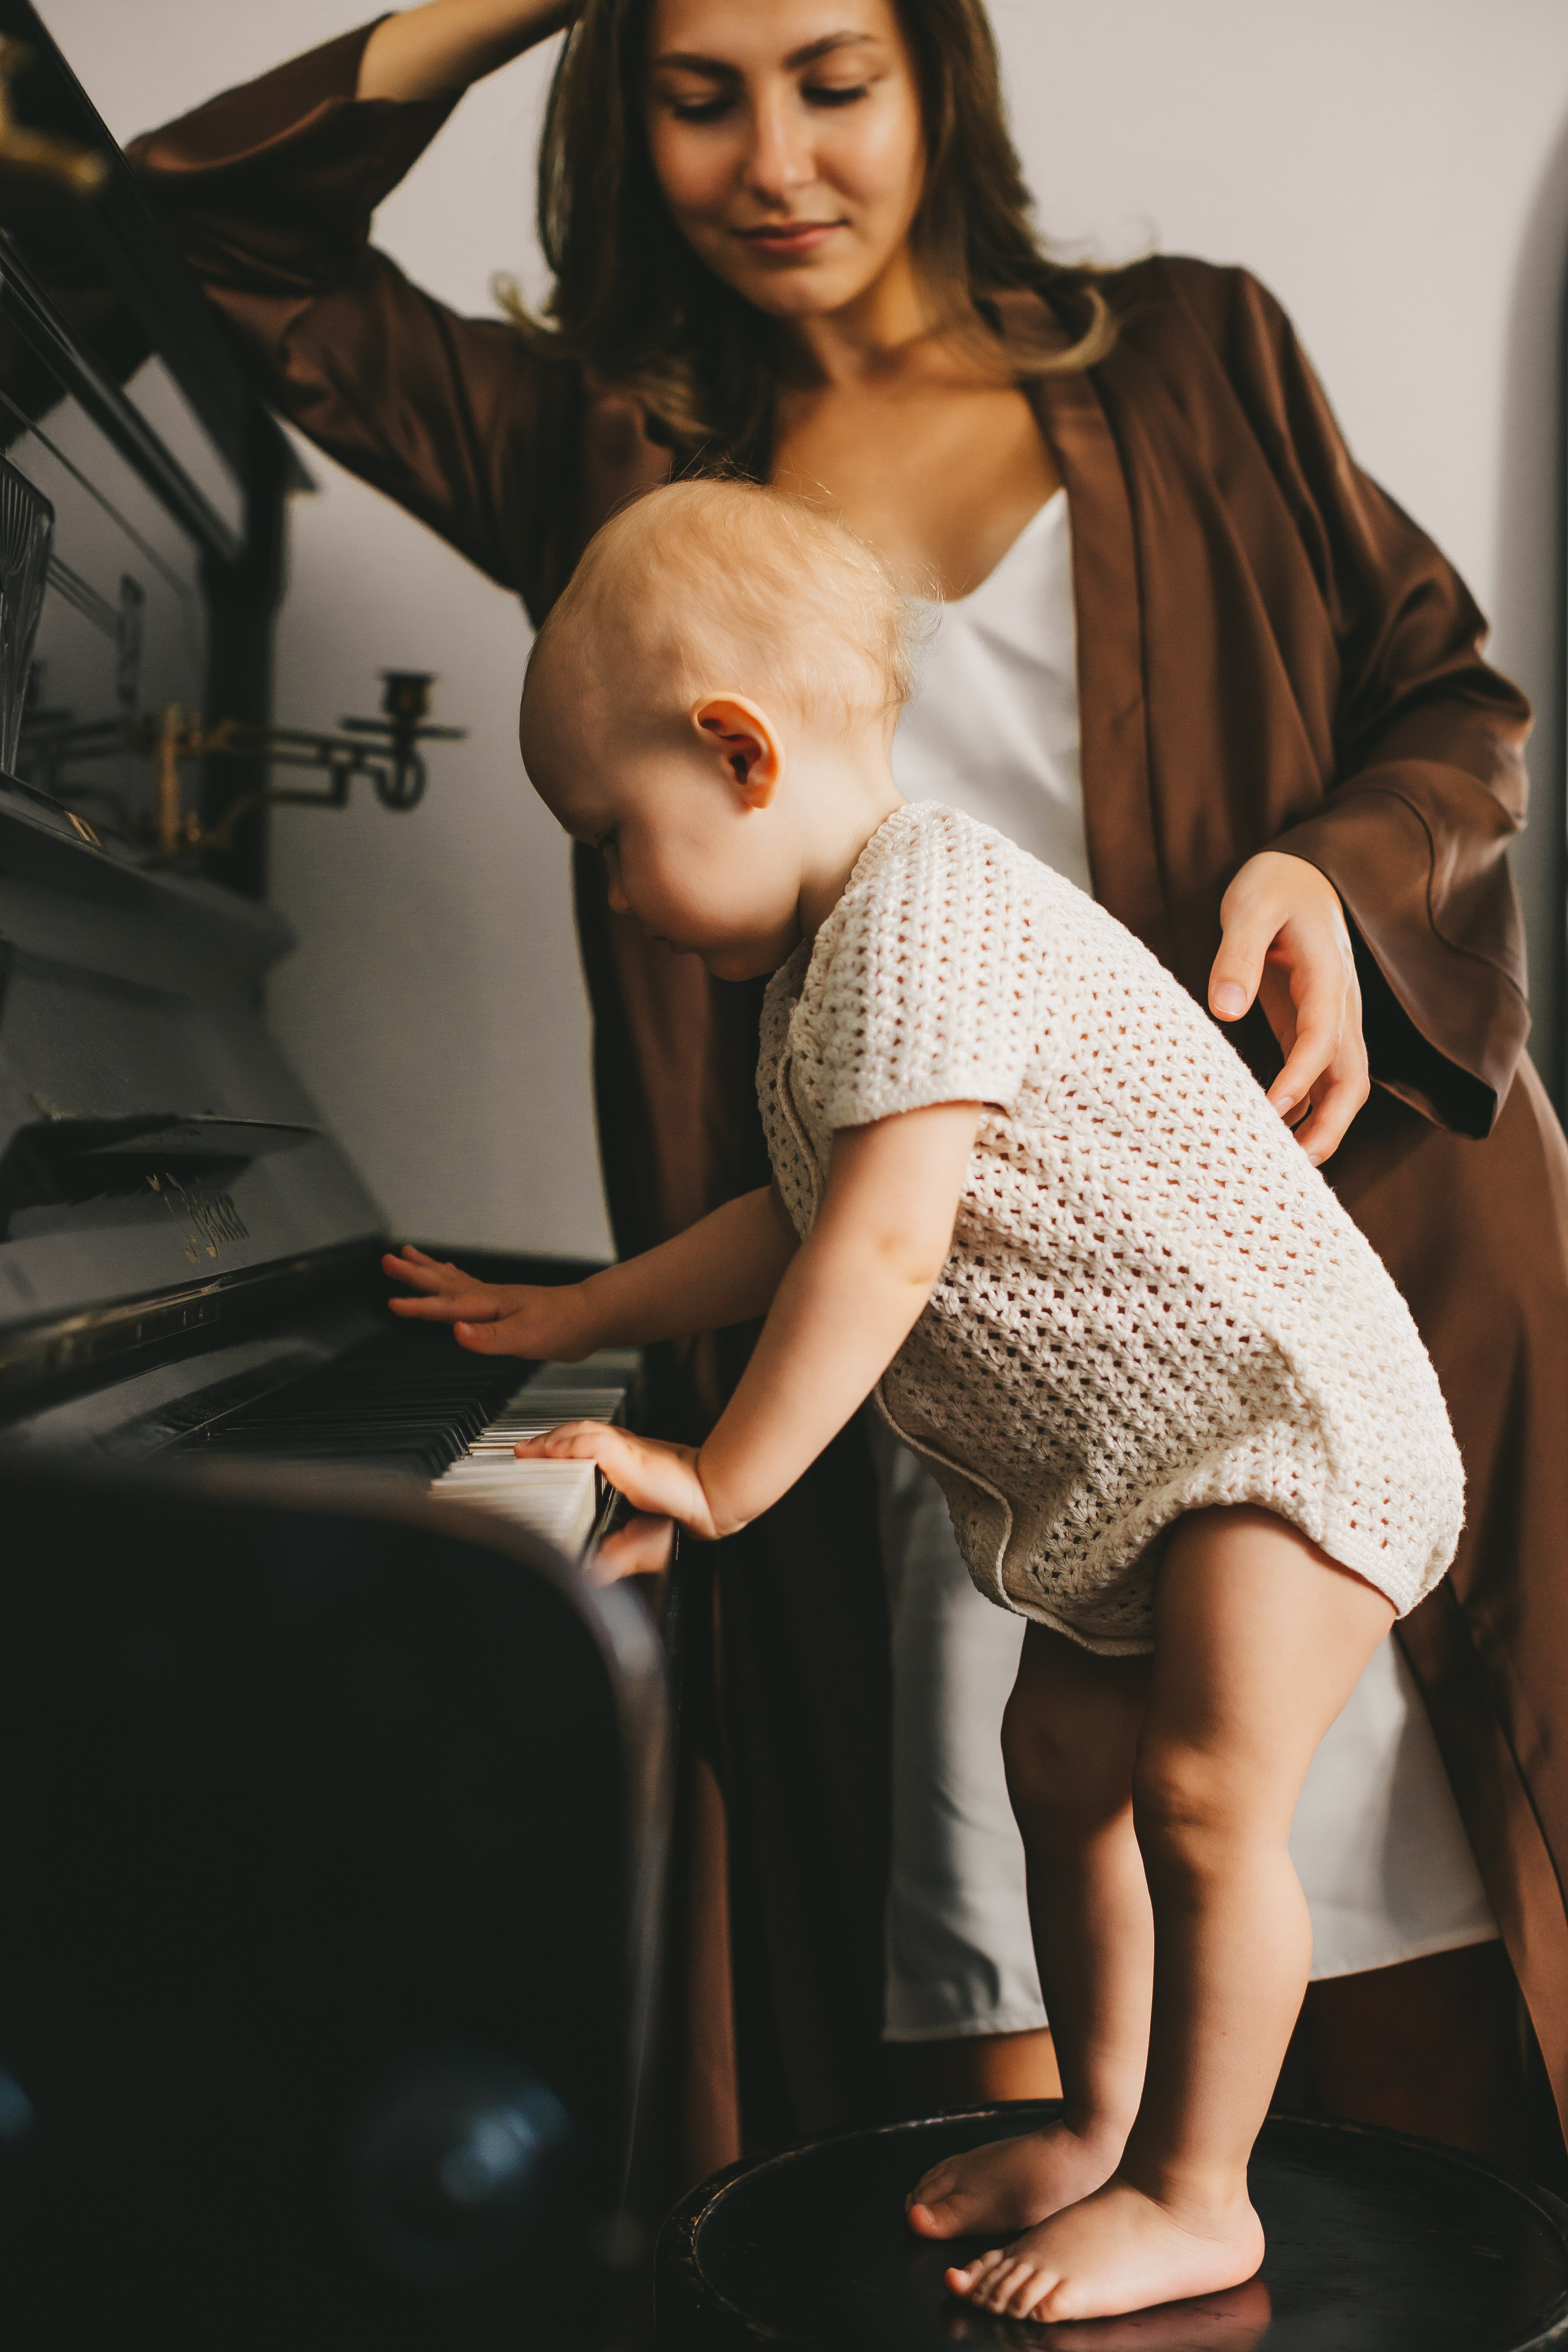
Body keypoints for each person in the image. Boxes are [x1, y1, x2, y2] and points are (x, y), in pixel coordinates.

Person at [131, 0, 1568, 2184]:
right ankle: (1114, 2186)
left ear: (938, 82)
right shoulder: (607, 443)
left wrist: (1334, 877)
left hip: (1299, 1294)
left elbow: (1452, 698)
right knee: (984, 1961)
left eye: (834, 76)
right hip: (915, 1359)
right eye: (698, 95)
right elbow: (194, 233)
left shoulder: (1193, 357)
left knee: (1416, 1989)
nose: (776, 156)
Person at [386, 477, 1465, 2321]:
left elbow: (875, 1259)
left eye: (614, 837)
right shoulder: (827, 966)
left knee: (1204, 1798)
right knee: (1063, 1772)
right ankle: (1108, 2120)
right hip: (1158, 1467)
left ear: (736, 751)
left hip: (1286, 1422)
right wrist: (572, 1306)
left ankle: (1204, 2194)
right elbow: (787, 1222)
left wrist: (721, 1477)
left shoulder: (929, 913)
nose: (623, 893)